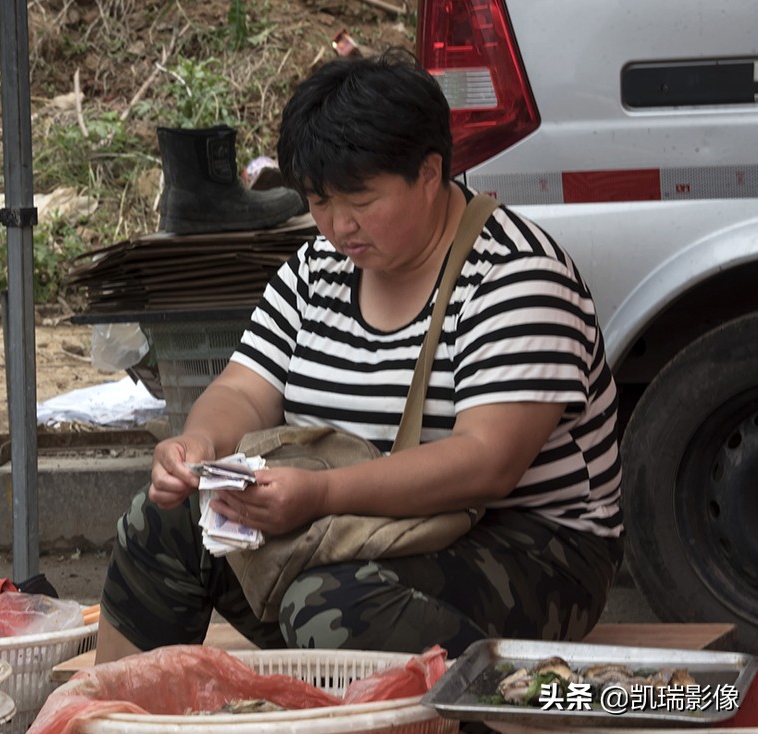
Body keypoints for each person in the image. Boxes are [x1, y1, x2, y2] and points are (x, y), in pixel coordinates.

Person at [95, 49, 623, 663]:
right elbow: (243, 389)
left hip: (533, 550)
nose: (339, 225)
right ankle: (116, 714)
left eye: (362, 200)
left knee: (331, 607)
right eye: (319, 201)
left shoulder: (515, 275)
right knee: (168, 518)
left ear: (429, 174)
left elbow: (487, 463)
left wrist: (320, 496)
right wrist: (201, 449)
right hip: (362, 525)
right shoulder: (316, 267)